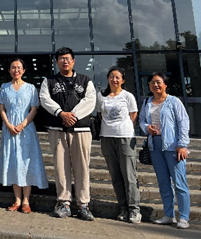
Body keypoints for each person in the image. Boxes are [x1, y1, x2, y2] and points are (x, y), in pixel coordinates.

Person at [40, 47, 96, 221]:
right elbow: (44, 99)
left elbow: (90, 100)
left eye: (67, 58)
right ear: (57, 62)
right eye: (61, 59)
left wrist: (73, 116)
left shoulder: (85, 80)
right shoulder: (49, 81)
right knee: (60, 167)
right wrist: (60, 113)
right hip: (57, 130)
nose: (65, 61)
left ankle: (83, 204)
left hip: (81, 131)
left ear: (73, 61)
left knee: (82, 167)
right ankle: (63, 202)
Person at [139, 72, 190, 229]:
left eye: (159, 82)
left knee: (179, 183)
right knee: (163, 182)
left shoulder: (174, 101)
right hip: (155, 145)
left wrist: (182, 144)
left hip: (173, 146)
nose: (156, 85)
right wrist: (147, 128)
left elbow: (183, 122)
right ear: (149, 86)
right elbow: (142, 120)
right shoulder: (147, 102)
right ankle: (169, 215)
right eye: (152, 82)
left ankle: (184, 217)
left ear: (165, 84)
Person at [0, 59, 48, 213]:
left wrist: (22, 125)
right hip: (9, 129)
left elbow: (34, 109)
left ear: (24, 70)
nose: (16, 70)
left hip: (26, 130)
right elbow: (2, 109)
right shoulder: (4, 87)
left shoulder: (31, 88)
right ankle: (17, 200)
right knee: (13, 161)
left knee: (26, 161)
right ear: (9, 70)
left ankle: (26, 200)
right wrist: (8, 125)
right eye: (13, 67)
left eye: (19, 67)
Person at [96, 66, 141, 223]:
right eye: (111, 76)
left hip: (125, 137)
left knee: (129, 175)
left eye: (117, 77)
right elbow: (100, 115)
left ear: (122, 80)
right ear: (107, 79)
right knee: (115, 175)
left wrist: (124, 129)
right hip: (107, 137)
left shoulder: (127, 96)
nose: (114, 79)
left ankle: (134, 209)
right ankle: (123, 207)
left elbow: (133, 115)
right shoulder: (101, 96)